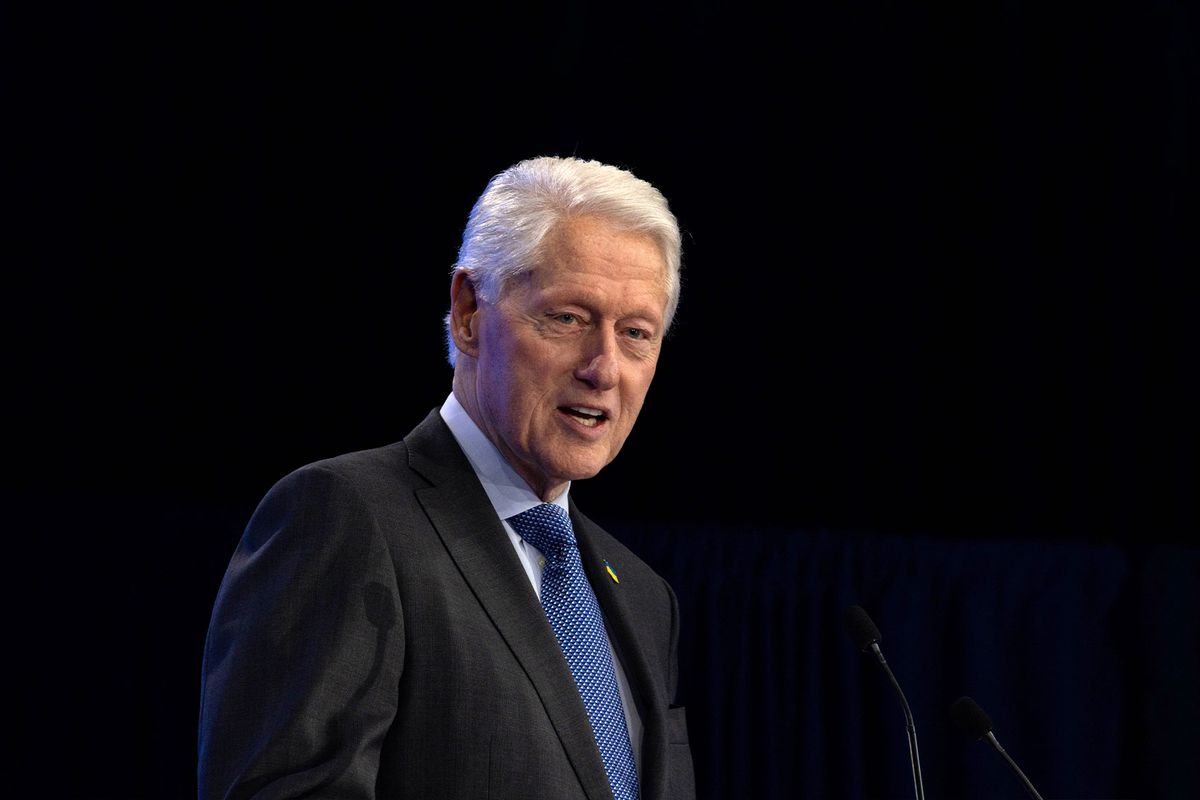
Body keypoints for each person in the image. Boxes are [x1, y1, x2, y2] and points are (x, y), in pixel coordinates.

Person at [197, 155, 696, 800]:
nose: (604, 368)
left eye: (635, 333)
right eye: (568, 318)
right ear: (468, 313)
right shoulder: (346, 517)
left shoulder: (645, 600)